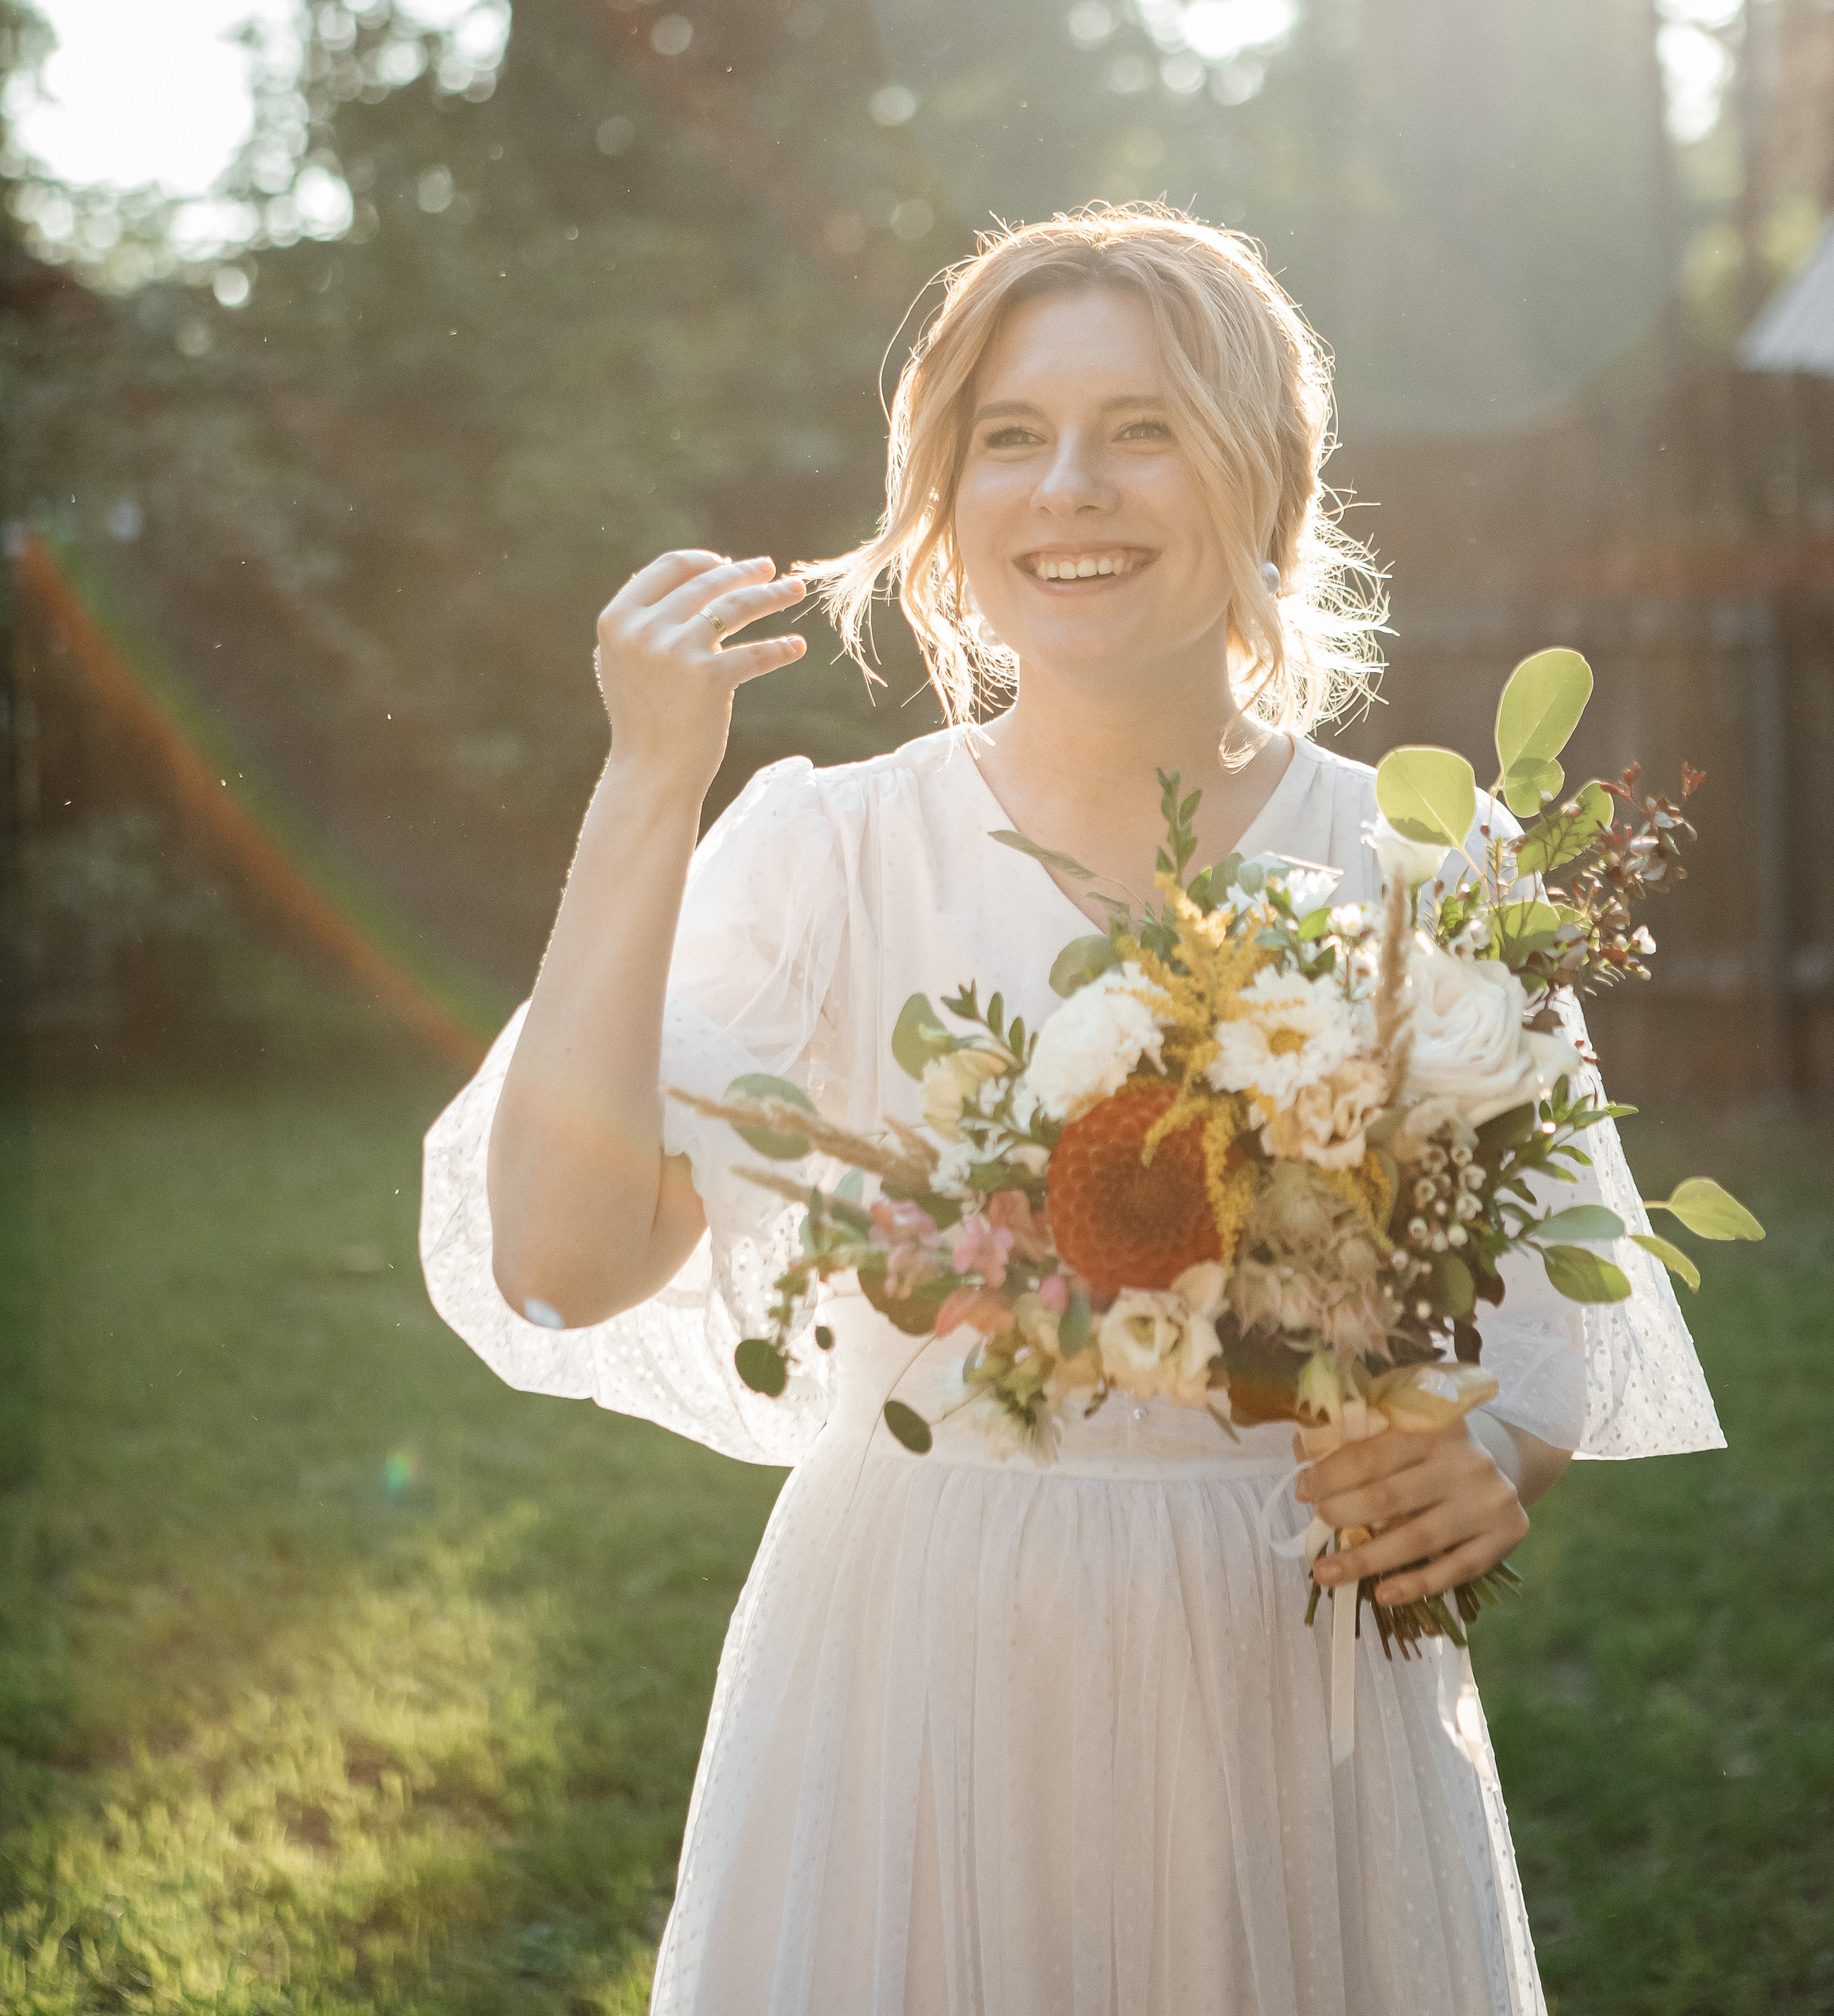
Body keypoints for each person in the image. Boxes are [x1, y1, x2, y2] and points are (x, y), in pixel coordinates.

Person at [422, 203, 1721, 2016]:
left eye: (1144, 428)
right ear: (941, 503)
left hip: (1297, 1675)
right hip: (912, 1669)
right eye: (1007, 438)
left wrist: (1480, 1464)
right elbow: (561, 1268)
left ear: (1265, 477)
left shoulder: (1421, 864)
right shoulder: (826, 853)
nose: (1069, 490)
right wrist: (650, 784)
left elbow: (1536, 1341)